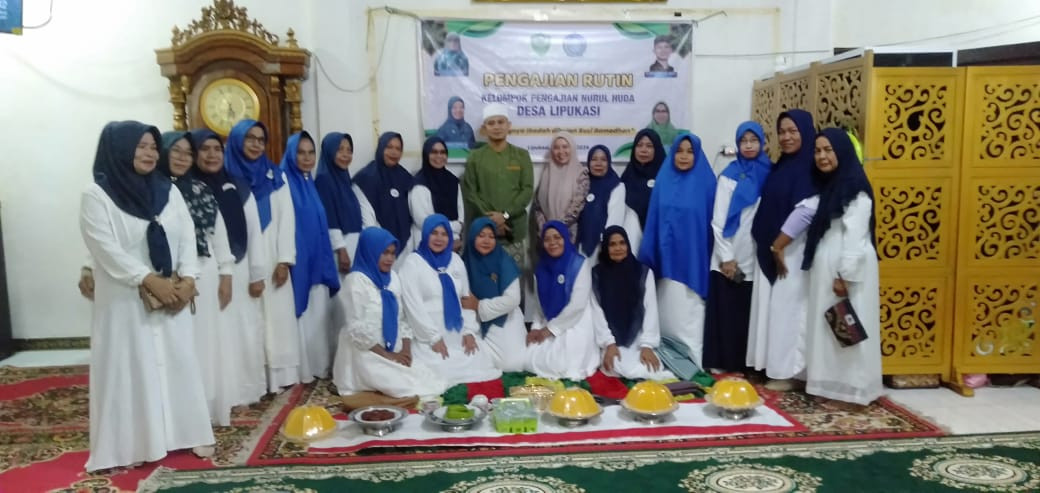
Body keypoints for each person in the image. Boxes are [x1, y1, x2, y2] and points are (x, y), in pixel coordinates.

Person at [80, 121, 214, 471]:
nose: (150, 153)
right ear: (120, 149)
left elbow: (187, 234)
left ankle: (188, 432)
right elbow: (104, 248)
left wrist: (188, 277)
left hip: (172, 295)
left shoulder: (166, 190)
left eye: (154, 147)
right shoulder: (97, 195)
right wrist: (149, 279)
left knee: (179, 361)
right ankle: (133, 442)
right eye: (141, 146)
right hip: (126, 300)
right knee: (132, 366)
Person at [158, 131, 238, 427]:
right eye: (175, 151)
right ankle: (176, 414)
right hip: (164, 279)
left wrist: (227, 274)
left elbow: (218, 235)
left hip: (203, 274)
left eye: (186, 153)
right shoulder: (151, 191)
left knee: (204, 345)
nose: (181, 158)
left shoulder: (201, 190)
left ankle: (204, 411)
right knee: (175, 347)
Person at [191, 128, 269, 418]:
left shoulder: (237, 185)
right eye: (205, 149)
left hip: (239, 267)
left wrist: (257, 272)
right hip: (204, 273)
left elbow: (254, 231)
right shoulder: (188, 188)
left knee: (243, 334)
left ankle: (244, 392)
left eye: (216, 150)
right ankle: (215, 395)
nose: (212, 155)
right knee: (214, 339)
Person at [801, 128, 882, 406]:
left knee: (849, 329)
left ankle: (853, 391)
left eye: (828, 150)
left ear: (842, 152)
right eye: (818, 151)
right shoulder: (833, 184)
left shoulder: (854, 186)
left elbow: (856, 235)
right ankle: (832, 387)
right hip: (831, 262)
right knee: (832, 328)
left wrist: (844, 275)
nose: (822, 156)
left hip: (848, 265)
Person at [332, 227, 447, 407]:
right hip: (366, 350)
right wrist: (388, 356)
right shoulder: (355, 282)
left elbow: (401, 318)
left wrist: (406, 351)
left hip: (393, 345)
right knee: (404, 386)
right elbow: (356, 330)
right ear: (370, 252)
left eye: (393, 253)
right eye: (384, 253)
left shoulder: (393, 278)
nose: (390, 259)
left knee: (431, 377)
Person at [224, 119, 299, 392]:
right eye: (250, 138)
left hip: (273, 256)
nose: (256, 144)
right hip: (240, 257)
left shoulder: (276, 176)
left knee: (277, 318)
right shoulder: (225, 175)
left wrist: (284, 260)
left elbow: (287, 219)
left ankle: (279, 378)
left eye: (260, 139)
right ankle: (250, 380)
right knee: (246, 318)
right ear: (237, 141)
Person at [747, 109, 819, 391]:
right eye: (782, 132)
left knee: (790, 311)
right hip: (774, 247)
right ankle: (772, 365)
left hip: (792, 249)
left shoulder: (810, 169)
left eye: (793, 131)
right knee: (776, 310)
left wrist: (780, 245)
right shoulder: (782, 165)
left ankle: (789, 372)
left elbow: (806, 212)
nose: (786, 137)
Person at [638, 133, 716, 369]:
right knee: (667, 315)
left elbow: (714, 224)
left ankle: (693, 364)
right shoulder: (664, 180)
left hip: (693, 262)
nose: (684, 156)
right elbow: (654, 219)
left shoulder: (707, 183)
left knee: (689, 316)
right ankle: (668, 362)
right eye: (679, 151)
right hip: (665, 262)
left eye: (690, 151)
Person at [702, 122, 771, 373]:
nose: (749, 145)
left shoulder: (770, 173)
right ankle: (723, 363)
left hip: (756, 255)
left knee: (747, 314)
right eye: (744, 141)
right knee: (727, 312)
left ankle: (746, 364)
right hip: (728, 255)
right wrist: (727, 257)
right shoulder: (729, 176)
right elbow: (718, 221)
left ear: (763, 142)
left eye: (754, 140)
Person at [402, 214, 502, 386]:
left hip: (458, 331)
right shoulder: (413, 263)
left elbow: (465, 298)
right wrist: (433, 338)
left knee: (481, 359)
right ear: (425, 234)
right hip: (428, 334)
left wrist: (469, 332)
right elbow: (413, 306)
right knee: (436, 368)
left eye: (444, 234)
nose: (439, 238)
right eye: (434, 233)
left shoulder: (455, 260)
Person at [280, 131, 341, 381]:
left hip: (316, 257)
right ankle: (304, 371)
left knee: (317, 313)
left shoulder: (308, 182)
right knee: (302, 315)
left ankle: (319, 367)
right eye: (301, 152)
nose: (307, 158)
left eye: (310, 152)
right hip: (298, 261)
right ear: (291, 154)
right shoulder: (284, 181)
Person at [314, 132, 377, 337]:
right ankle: (340, 348)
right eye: (340, 149)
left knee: (355, 298)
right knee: (342, 299)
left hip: (354, 243)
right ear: (329, 151)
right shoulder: (324, 180)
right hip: (340, 248)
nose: (345, 154)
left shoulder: (345, 180)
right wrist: (341, 250)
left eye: (349, 150)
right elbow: (329, 218)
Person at [591, 226, 672, 380]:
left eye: (622, 243)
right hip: (612, 339)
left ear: (628, 244)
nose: (618, 248)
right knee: (616, 366)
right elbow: (597, 312)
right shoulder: (597, 275)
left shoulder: (643, 273)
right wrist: (609, 344)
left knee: (649, 368)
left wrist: (647, 345)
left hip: (637, 337)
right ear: (605, 248)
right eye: (612, 244)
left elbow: (650, 310)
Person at [461, 103, 534, 269]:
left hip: (513, 231)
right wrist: (493, 220)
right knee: (485, 285)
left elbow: (527, 190)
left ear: (509, 126)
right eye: (491, 123)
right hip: (483, 232)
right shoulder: (475, 157)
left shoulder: (521, 156)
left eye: (501, 122)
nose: (497, 127)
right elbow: (471, 192)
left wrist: (505, 216)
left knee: (514, 285)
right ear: (484, 128)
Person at [525, 221, 599, 380]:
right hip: (549, 320)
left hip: (575, 322)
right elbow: (539, 307)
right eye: (547, 239)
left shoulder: (579, 264)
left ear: (566, 239)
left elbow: (577, 306)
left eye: (557, 237)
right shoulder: (541, 268)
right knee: (529, 357)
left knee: (563, 366)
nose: (552, 243)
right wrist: (535, 328)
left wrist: (549, 330)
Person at [462, 217, 527, 372]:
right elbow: (463, 300)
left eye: (491, 237)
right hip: (474, 318)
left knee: (513, 365)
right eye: (481, 235)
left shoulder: (504, 261)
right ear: (472, 237)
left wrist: (479, 305)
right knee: (468, 359)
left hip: (505, 316)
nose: (486, 240)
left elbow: (513, 300)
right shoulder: (464, 262)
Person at [354, 131, 413, 269]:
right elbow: (367, 218)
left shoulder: (406, 178)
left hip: (405, 247)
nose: (394, 152)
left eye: (398, 149)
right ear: (381, 148)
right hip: (378, 247)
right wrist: (382, 243)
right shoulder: (366, 178)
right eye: (389, 147)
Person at [532, 130, 589, 242]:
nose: (561, 151)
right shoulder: (546, 174)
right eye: (556, 147)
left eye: (565, 147)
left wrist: (557, 228)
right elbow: (538, 207)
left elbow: (576, 208)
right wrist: (545, 228)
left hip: (569, 234)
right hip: (546, 235)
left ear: (571, 148)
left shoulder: (581, 174)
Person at [410, 136, 464, 249]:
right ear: (426, 155)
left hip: (454, 243)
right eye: (433, 152)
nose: (439, 156)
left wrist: (455, 236)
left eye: (442, 152)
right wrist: (454, 227)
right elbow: (423, 221)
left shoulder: (453, 181)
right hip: (428, 243)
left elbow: (461, 216)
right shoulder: (419, 183)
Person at [576, 145, 627, 262]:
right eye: (594, 159)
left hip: (602, 248)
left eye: (603, 160)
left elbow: (615, 221)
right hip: (579, 245)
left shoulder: (617, 186)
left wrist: (606, 244)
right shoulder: (583, 183)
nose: (598, 163)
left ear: (609, 162)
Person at [620, 128, 666, 252]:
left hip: (659, 235)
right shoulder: (628, 175)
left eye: (649, 146)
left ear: (657, 149)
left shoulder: (665, 176)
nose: (643, 150)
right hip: (632, 237)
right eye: (639, 145)